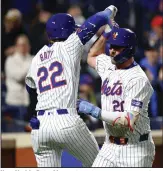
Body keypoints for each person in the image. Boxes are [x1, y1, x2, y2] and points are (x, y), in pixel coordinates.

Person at [25, 6, 118, 167]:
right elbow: (94, 21)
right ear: (67, 31)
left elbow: (31, 90)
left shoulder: (36, 58)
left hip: (40, 126)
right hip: (66, 120)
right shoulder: (69, 45)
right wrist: (110, 10)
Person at [77, 26, 155, 167]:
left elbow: (129, 120)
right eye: (111, 46)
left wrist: (94, 111)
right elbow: (91, 56)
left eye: (118, 47)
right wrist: (105, 34)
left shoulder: (138, 79)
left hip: (135, 148)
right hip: (110, 146)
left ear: (129, 49)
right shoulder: (109, 64)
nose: (112, 51)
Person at [4, 34, 32, 132]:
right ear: (16, 46)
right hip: (14, 103)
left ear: (29, 46)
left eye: (25, 44)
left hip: (29, 103)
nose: (23, 47)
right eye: (20, 45)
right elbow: (19, 76)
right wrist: (31, 66)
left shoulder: (32, 59)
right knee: (16, 134)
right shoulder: (10, 60)